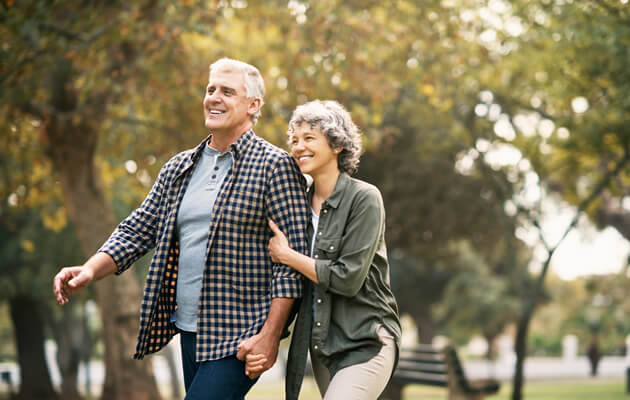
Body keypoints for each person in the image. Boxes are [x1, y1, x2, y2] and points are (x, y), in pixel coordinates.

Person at [52, 58, 310, 399]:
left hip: (241, 333)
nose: (214, 97)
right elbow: (137, 229)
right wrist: (89, 270)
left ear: (253, 105)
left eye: (227, 91)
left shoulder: (275, 167)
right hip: (189, 328)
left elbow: (293, 262)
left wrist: (271, 334)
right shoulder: (179, 167)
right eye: (210, 89)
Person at [246, 100, 402, 399]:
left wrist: (288, 255)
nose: (298, 147)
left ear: (336, 144)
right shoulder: (295, 205)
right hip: (322, 347)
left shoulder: (365, 199)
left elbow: (347, 278)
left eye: (309, 138)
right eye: (294, 140)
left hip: (366, 339)